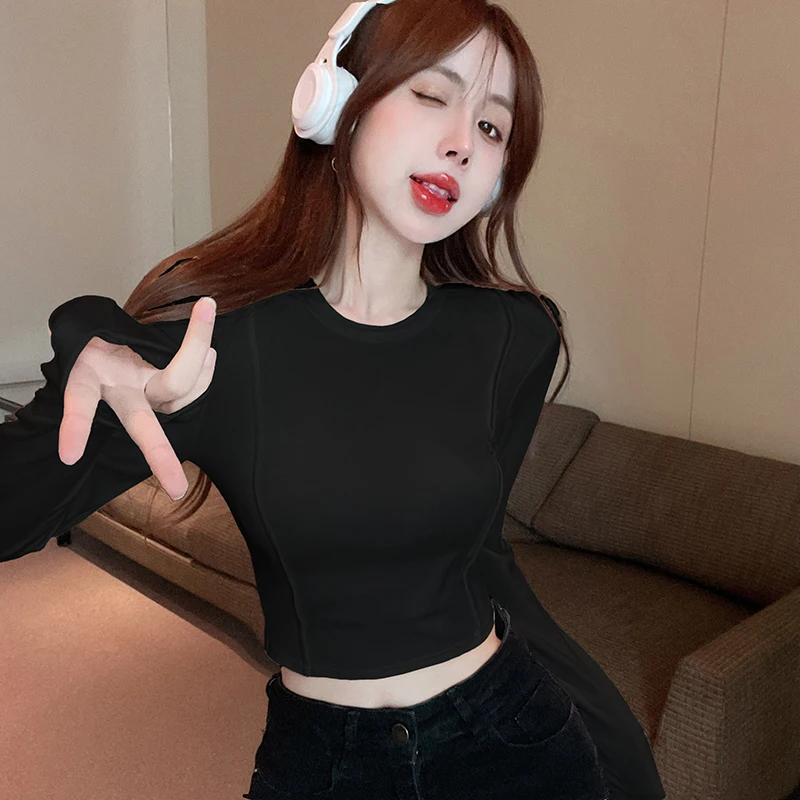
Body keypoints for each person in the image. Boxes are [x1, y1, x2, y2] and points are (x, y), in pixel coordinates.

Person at [0, 1, 665, 798]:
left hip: (513, 734)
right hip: (325, 760)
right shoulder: (217, 346)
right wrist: (89, 340)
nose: (462, 141)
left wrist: (615, 742)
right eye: (432, 94)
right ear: (336, 102)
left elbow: (484, 557)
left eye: (493, 127)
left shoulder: (516, 336)